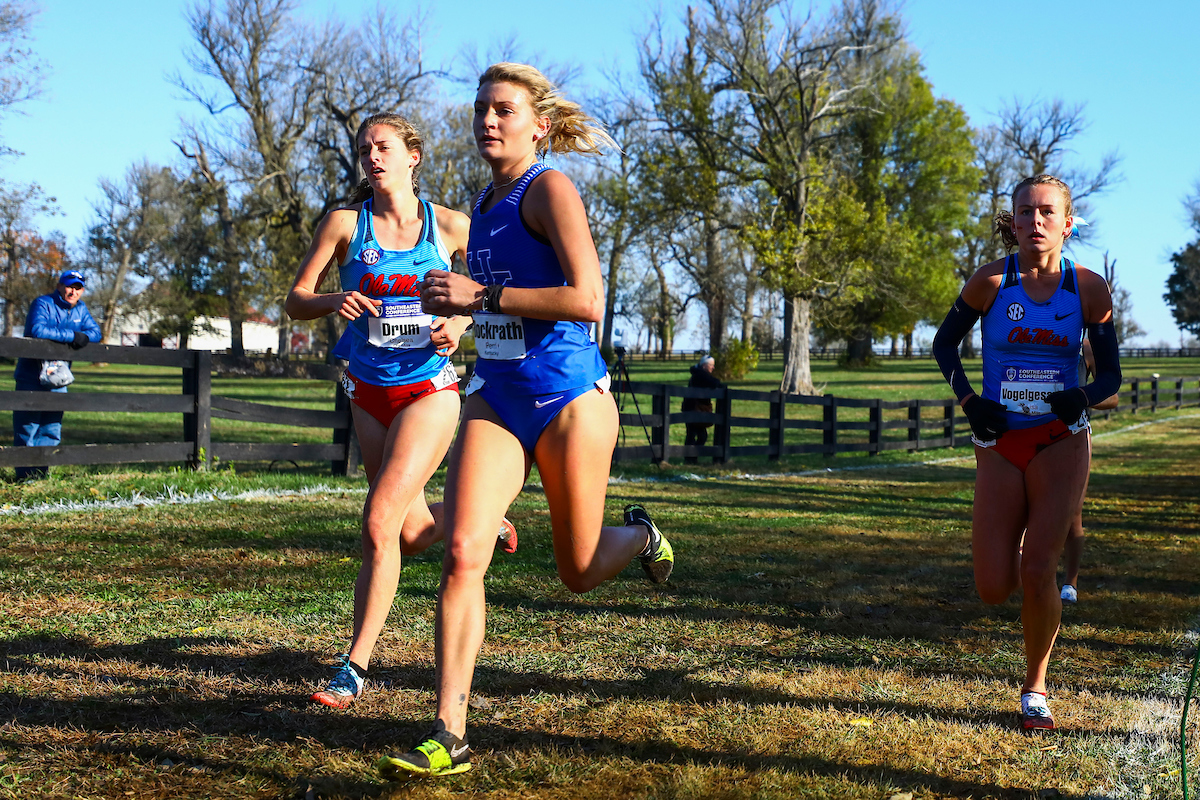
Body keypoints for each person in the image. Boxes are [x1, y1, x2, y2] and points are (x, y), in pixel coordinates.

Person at [378, 63, 675, 778]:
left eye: (503, 110)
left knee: (576, 570)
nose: (487, 120)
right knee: (461, 551)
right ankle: (449, 732)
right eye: (481, 108)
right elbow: (493, 306)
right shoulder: (484, 201)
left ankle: (639, 536)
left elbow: (587, 300)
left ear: (538, 125)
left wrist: (482, 294)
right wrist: (454, 315)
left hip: (570, 399)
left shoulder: (551, 188)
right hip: (499, 396)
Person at [285, 112, 516, 711]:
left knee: (378, 520)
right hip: (367, 388)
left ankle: (354, 665)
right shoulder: (344, 223)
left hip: (429, 389)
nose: (372, 158)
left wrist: (459, 322)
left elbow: (490, 299)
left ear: (413, 155)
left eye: (382, 147)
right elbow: (296, 300)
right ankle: (480, 518)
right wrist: (337, 298)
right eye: (364, 150)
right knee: (410, 530)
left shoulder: (450, 226)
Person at [932, 174, 1120, 732]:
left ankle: (1035, 685)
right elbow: (944, 343)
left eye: (1046, 213)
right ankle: (1019, 537)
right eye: (1025, 212)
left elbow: (1110, 374)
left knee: (1039, 568)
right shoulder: (991, 281)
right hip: (998, 441)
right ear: (1012, 223)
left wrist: (1079, 397)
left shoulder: (1088, 290)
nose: (1035, 221)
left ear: (1067, 223)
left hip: (1061, 441)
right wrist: (969, 401)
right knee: (994, 588)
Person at [11, 269, 100, 480]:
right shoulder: (42, 303)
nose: (73, 292)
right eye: (69, 286)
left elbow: (95, 333)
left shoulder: (81, 309)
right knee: (28, 427)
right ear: (59, 286)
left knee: (51, 429)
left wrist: (82, 336)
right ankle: (24, 476)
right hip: (31, 376)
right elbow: (37, 330)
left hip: (59, 379)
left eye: (78, 288)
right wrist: (73, 336)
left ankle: (41, 474)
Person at [1059, 337, 1119, 604]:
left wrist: (1080, 397)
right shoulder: (1030, 334)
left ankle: (1070, 583)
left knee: (1073, 511)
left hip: (1073, 432)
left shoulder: (1089, 346)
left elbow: (1112, 398)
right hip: (1026, 429)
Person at [682, 355, 723, 463]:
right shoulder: (700, 375)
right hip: (694, 409)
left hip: (693, 408)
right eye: (711, 365)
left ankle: (691, 457)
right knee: (695, 434)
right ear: (704, 365)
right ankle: (690, 458)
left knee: (698, 435)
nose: (713, 368)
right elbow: (714, 382)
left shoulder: (697, 374)